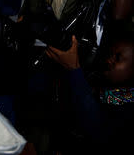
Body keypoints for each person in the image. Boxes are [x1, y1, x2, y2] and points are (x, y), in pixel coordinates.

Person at [45, 26, 134, 154]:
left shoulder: (129, 106)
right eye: (111, 54)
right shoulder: (119, 92)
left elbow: (97, 128)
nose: (109, 60)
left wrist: (74, 69)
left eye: (118, 58)